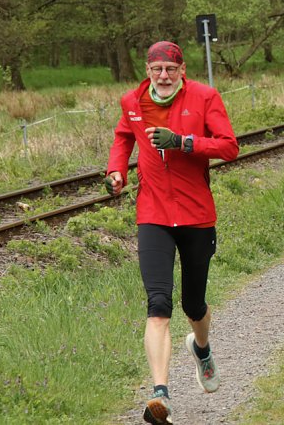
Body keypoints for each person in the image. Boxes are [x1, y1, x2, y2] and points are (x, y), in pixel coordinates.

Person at [104, 41, 239, 425]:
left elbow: (229, 147)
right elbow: (123, 138)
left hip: (196, 215)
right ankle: (160, 394)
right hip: (153, 214)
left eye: (170, 69)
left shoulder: (205, 97)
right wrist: (118, 171)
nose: (163, 76)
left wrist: (184, 143)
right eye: (156, 68)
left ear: (182, 70)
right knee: (157, 303)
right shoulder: (132, 101)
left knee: (192, 305)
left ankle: (202, 347)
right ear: (147, 69)